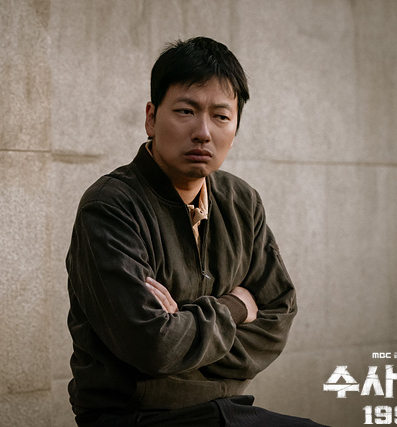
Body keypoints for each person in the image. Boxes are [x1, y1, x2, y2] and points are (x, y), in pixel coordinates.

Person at [66, 36, 326, 426]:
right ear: (151, 117)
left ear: (235, 128)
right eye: (186, 111)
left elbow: (278, 315)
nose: (203, 131)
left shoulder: (241, 201)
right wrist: (236, 307)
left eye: (221, 116)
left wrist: (183, 329)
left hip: (226, 408)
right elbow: (154, 346)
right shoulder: (110, 206)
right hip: (133, 417)